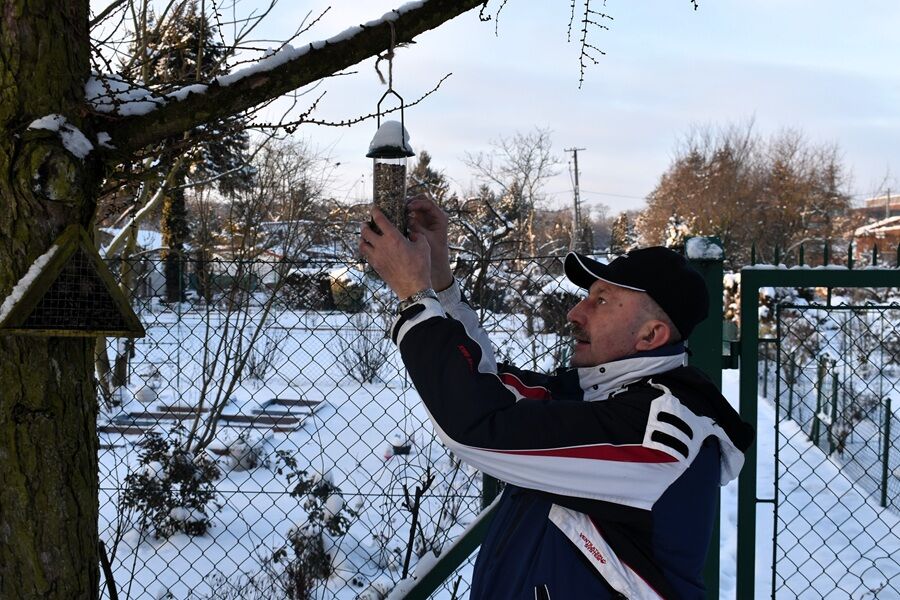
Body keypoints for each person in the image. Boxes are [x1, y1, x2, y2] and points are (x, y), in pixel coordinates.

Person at [359, 197, 754, 599]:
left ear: (651, 335)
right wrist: (439, 280)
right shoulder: (598, 395)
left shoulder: (658, 433)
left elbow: (480, 425)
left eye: (600, 300)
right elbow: (487, 386)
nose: (575, 313)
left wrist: (413, 295)